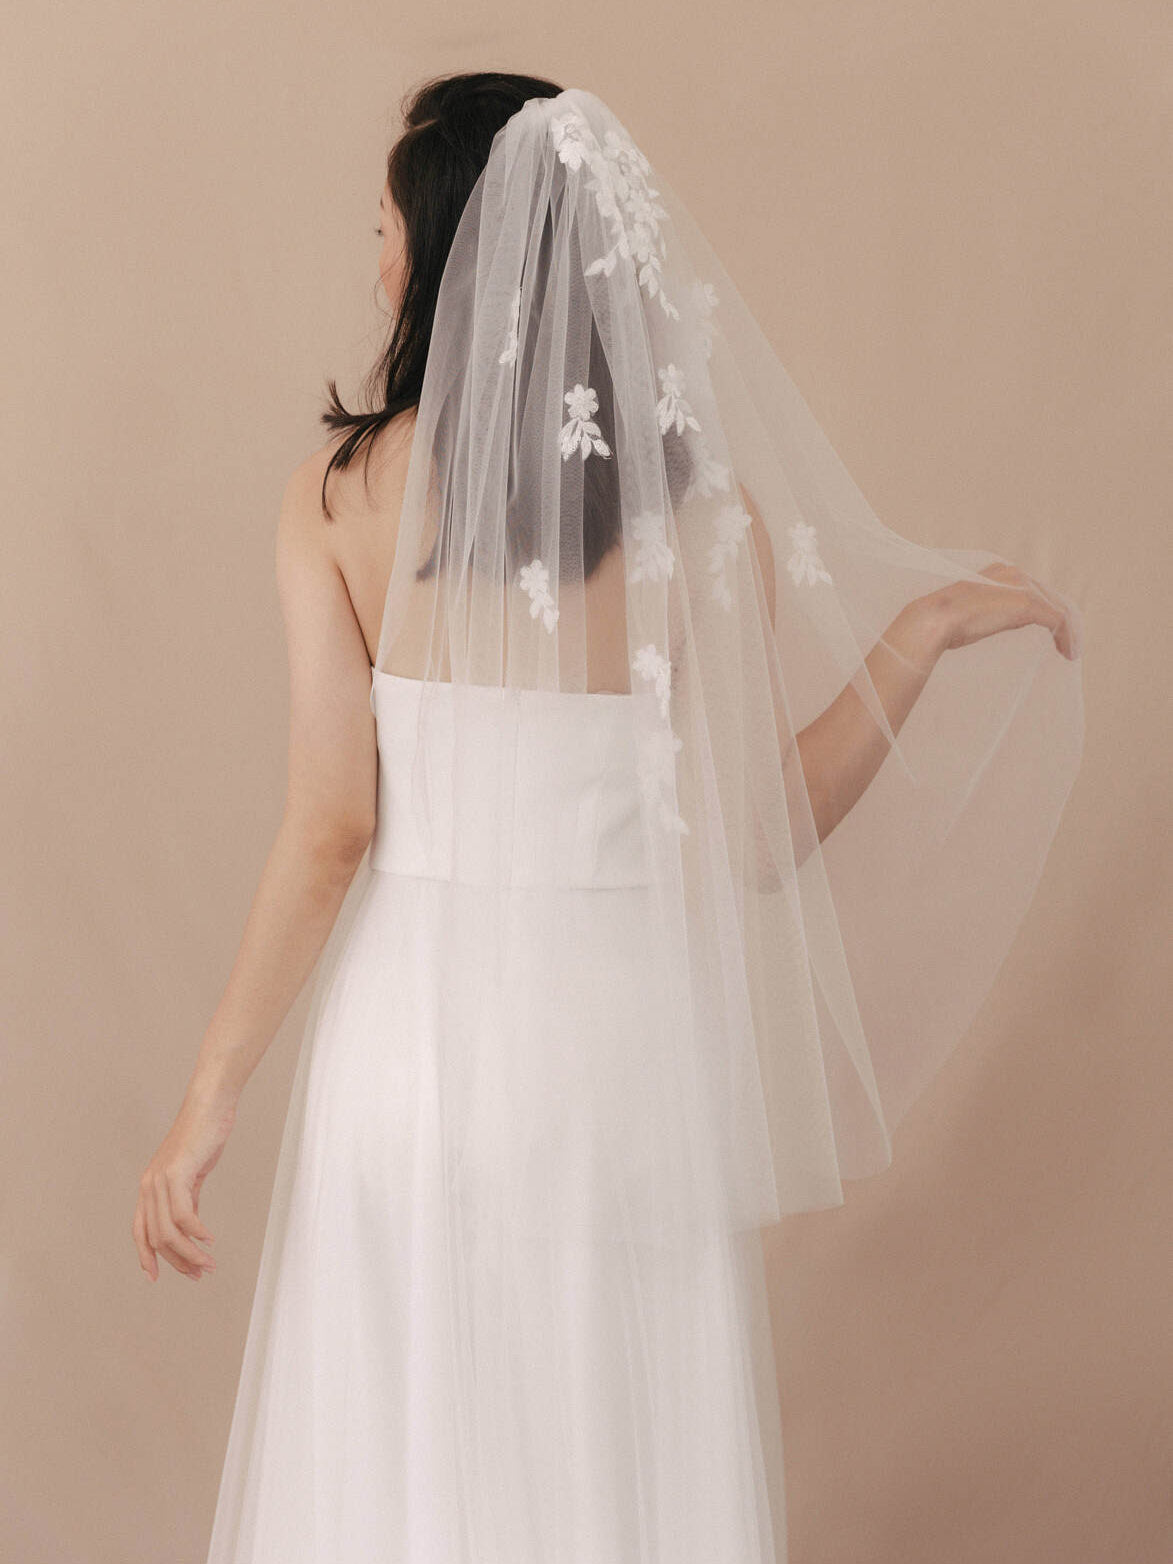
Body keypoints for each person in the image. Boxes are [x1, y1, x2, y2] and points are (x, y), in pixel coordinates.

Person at [133, 73, 1084, 1561]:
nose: (372, 253)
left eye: (383, 224)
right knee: (607, 1474)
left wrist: (210, 1095)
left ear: (452, 254)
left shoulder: (338, 499)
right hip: (614, 1072)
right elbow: (758, 838)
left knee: (405, 1469)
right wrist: (914, 640)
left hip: (415, 1062)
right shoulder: (704, 526)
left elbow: (328, 828)